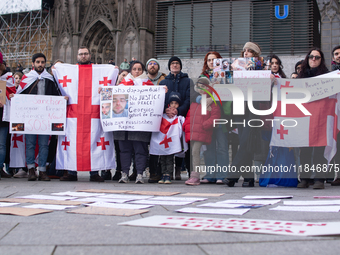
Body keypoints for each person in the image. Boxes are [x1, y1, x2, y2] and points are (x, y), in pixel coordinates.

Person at [57, 46, 115, 182]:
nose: (83, 56)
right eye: (81, 54)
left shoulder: (98, 71)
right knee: (72, 142)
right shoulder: (71, 71)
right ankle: (71, 172)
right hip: (74, 115)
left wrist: (114, 70)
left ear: (90, 55)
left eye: (86, 54)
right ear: (77, 56)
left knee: (95, 141)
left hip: (93, 115)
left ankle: (94, 173)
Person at [16, 53, 62, 181]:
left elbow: (56, 95)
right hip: (30, 117)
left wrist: (62, 99)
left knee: (44, 145)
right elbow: (19, 95)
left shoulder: (49, 79)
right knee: (30, 144)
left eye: (42, 62)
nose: (40, 64)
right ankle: (31, 169)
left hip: (45, 118)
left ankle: (42, 171)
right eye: (37, 62)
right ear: (33, 64)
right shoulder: (26, 78)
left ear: (45, 64)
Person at [223, 42, 262, 187]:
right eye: (244, 50)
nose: (246, 53)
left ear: (256, 55)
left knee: (246, 140)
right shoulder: (236, 68)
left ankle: (233, 175)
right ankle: (248, 177)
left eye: (250, 51)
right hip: (239, 106)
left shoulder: (261, 69)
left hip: (253, 107)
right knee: (244, 141)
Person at [116, 61, 152, 184]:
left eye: (139, 69)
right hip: (124, 123)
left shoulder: (148, 84)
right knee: (124, 150)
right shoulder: (122, 84)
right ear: (131, 70)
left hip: (140, 123)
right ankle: (124, 173)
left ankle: (139, 174)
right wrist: (103, 90)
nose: (137, 71)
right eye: (135, 69)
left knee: (140, 150)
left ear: (143, 71)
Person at [297, 48, 329, 189]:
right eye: (311, 56)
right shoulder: (301, 76)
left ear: (321, 60)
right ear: (307, 59)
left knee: (319, 149)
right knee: (304, 149)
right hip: (304, 118)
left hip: (321, 117)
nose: (313, 59)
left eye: (317, 57)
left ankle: (319, 180)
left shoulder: (328, 76)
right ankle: (304, 179)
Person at [198, 51, 229, 185]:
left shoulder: (226, 76)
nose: (212, 62)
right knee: (209, 146)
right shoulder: (202, 77)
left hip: (222, 116)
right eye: (209, 60)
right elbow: (197, 96)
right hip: (207, 117)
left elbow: (230, 93)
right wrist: (205, 99)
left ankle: (222, 175)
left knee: (222, 146)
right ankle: (210, 174)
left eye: (215, 60)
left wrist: (214, 98)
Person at [159, 56, 191, 182]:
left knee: (182, 144)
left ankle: (181, 169)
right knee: (168, 142)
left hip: (182, 116)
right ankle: (167, 172)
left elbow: (189, 99)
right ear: (169, 66)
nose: (175, 65)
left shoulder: (187, 81)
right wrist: (165, 110)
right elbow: (159, 100)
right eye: (172, 63)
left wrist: (179, 110)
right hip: (167, 118)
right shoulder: (163, 82)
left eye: (177, 63)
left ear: (180, 66)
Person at [184, 77, 221, 185]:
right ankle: (195, 175)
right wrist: (186, 126)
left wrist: (205, 125)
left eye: (203, 87)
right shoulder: (195, 102)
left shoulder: (211, 101)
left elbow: (215, 116)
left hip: (202, 132)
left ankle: (195, 176)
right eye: (199, 87)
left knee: (195, 152)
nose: (201, 90)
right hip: (193, 132)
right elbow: (189, 116)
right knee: (194, 153)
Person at [149, 92, 185, 184]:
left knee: (169, 159)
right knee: (162, 159)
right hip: (162, 141)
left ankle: (168, 174)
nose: (173, 105)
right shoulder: (163, 115)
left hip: (171, 142)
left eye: (176, 103)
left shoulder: (179, 117)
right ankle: (162, 174)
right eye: (172, 103)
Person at [0, 51, 16, 179]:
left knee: (2, 144)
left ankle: (0, 168)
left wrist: (10, 96)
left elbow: (12, 93)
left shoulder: (8, 78)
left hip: (3, 116)